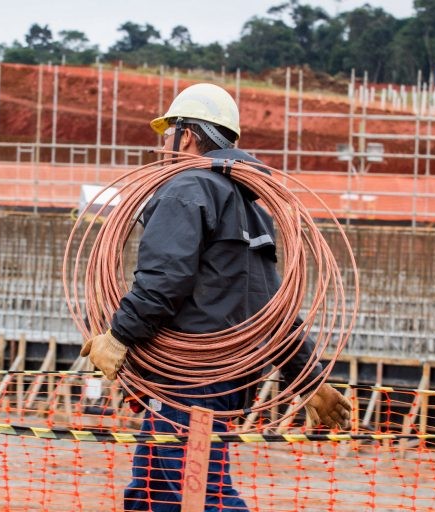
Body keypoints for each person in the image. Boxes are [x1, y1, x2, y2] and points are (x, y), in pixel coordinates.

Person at [81, 83, 351, 511]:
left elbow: (164, 277)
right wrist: (308, 379)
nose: (161, 145)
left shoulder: (186, 188)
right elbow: (269, 308)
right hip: (221, 381)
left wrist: (119, 335)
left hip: (191, 381)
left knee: (201, 496)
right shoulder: (250, 208)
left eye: (166, 133)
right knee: (152, 496)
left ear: (186, 135)